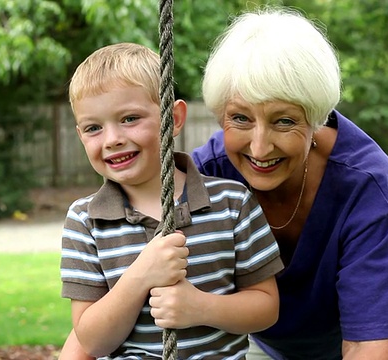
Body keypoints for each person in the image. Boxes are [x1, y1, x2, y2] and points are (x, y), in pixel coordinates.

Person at [190, 7, 388, 360]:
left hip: (375, 338)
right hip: (266, 342)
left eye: (283, 121)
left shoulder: (367, 185)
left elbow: (368, 345)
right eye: (240, 118)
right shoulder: (208, 173)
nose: (259, 147)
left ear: (314, 118)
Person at [60, 42, 284, 359]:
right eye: (93, 127)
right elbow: (92, 341)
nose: (112, 139)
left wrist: (201, 307)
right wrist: (140, 276)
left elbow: (266, 307)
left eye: (129, 119)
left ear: (174, 118)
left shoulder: (232, 202)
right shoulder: (85, 222)